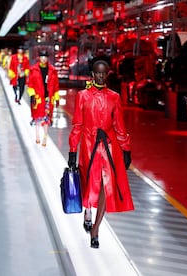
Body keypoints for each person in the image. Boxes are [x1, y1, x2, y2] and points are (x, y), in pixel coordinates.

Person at [67, 60, 134, 249]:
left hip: (109, 147)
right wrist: (73, 150)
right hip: (89, 146)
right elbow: (77, 125)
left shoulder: (114, 97)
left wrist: (126, 149)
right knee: (89, 182)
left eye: (104, 74)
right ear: (92, 74)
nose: (101, 76)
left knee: (106, 185)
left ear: (108, 74)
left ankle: (95, 229)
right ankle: (87, 210)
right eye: (98, 73)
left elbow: (120, 126)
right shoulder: (83, 96)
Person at [27, 50, 59, 147]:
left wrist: (57, 98)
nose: (44, 58)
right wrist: (32, 95)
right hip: (38, 98)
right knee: (37, 117)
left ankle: (45, 138)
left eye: (45, 57)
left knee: (46, 119)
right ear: (39, 58)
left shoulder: (53, 71)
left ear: (47, 58)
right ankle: (37, 136)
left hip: (48, 98)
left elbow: (56, 85)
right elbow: (30, 84)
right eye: (42, 56)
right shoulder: (33, 70)